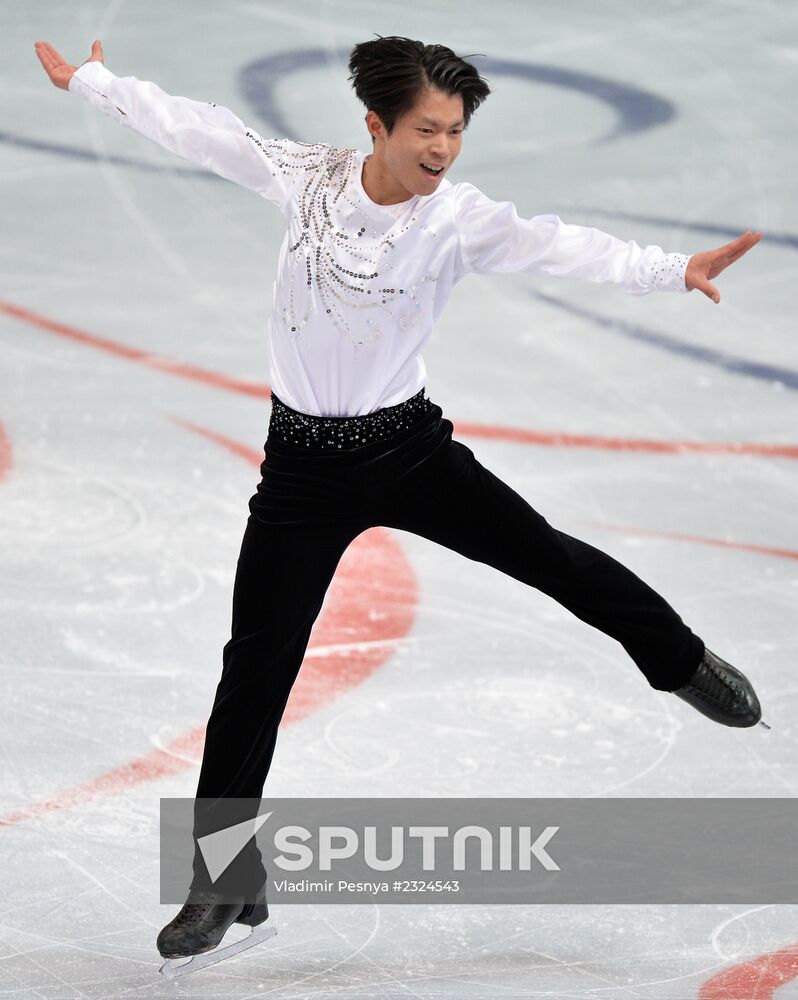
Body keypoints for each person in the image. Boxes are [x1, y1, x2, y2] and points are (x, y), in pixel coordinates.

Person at [35, 34, 764, 968]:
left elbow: (559, 245)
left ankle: (683, 660)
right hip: (301, 472)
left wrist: (672, 270)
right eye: (427, 129)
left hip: (409, 452)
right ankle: (224, 886)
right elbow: (202, 132)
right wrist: (94, 82)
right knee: (254, 671)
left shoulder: (455, 219)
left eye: (457, 132)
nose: (444, 149)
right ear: (375, 126)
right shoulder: (307, 180)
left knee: (552, 558)